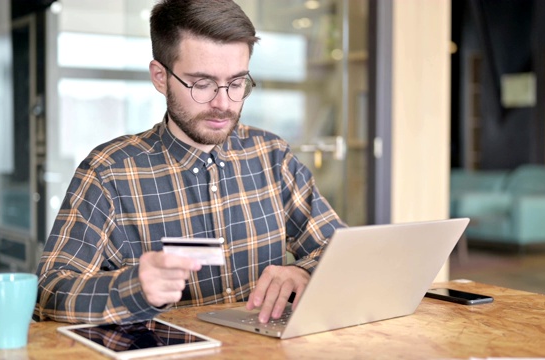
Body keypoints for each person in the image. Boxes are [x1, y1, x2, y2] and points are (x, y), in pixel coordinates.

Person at [34, 0, 345, 326]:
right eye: (202, 84)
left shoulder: (272, 156)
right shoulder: (108, 172)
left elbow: (340, 250)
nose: (223, 103)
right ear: (159, 77)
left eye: (237, 83)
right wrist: (133, 289)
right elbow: (49, 292)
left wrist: (301, 271)